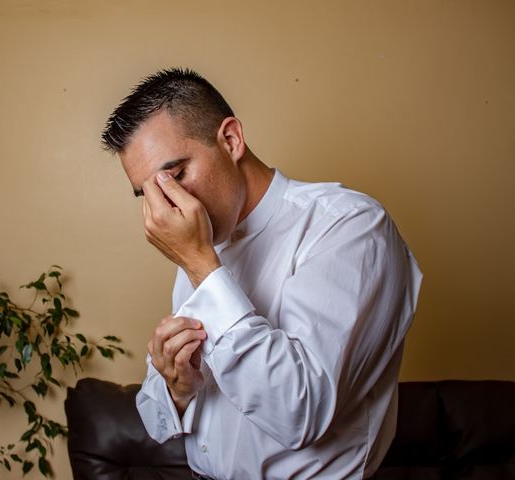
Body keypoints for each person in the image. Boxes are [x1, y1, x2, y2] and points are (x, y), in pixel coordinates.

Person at [101, 68, 422, 480]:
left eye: (176, 175)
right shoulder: (203, 244)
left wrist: (200, 264)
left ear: (230, 140)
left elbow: (299, 414)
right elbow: (157, 419)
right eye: (147, 194)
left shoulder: (349, 226)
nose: (167, 205)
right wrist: (178, 388)